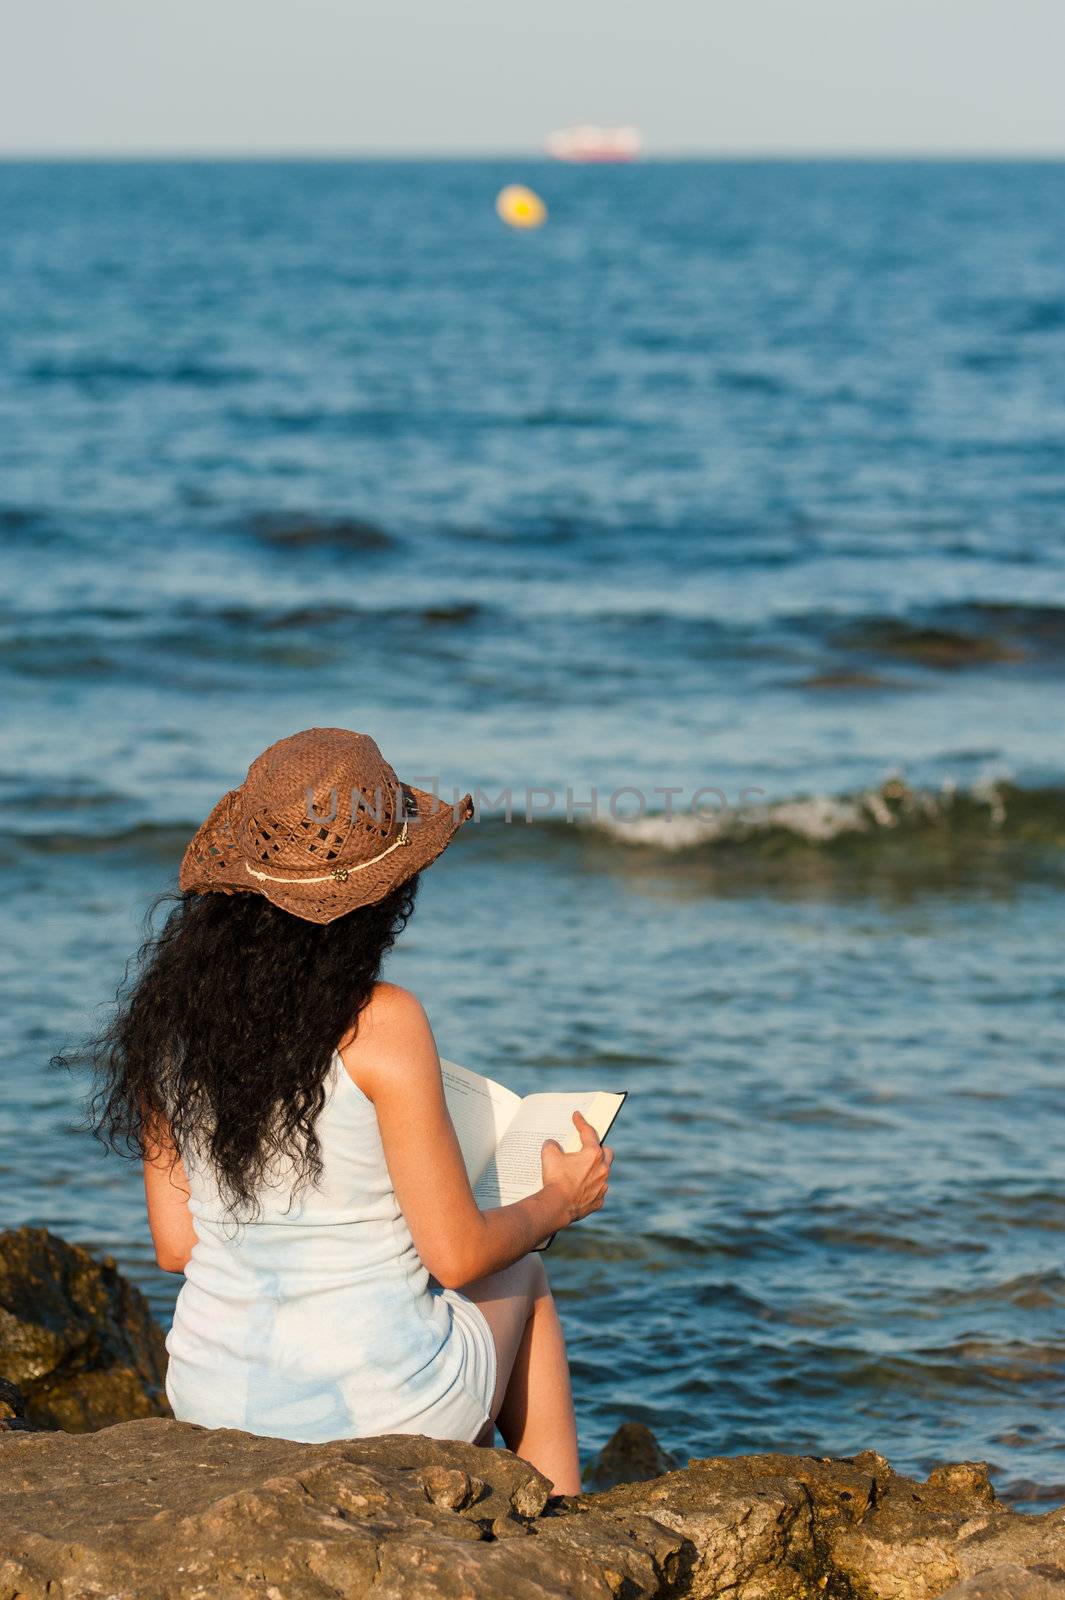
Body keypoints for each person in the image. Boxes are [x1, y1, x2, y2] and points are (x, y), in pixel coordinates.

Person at [85, 727, 612, 1494]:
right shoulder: (381, 1022)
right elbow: (457, 1257)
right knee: (520, 1274)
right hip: (380, 1411)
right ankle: (563, 1537)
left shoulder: (167, 1021)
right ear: (386, 889)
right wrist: (558, 1200)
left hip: (211, 1401)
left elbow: (175, 1246)